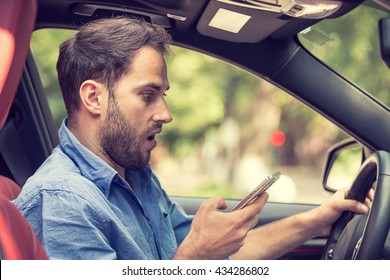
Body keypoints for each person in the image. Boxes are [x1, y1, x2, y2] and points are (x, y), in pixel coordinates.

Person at [13, 17, 369, 260]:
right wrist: (197, 255)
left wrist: (316, 220)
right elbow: (198, 258)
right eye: (148, 95)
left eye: (163, 95)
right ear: (94, 98)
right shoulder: (62, 203)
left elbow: (219, 256)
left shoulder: (133, 172)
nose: (166, 114)